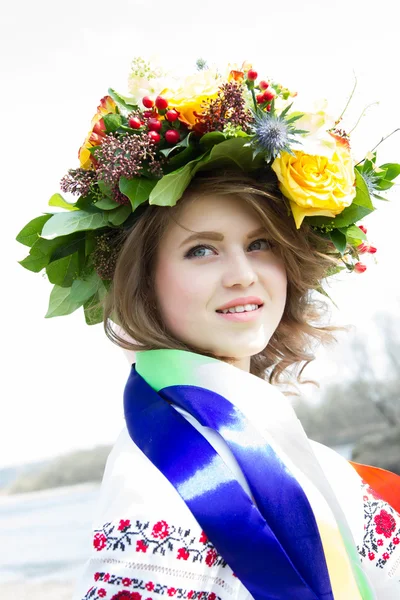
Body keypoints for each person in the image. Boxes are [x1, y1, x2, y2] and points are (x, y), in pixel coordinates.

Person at [16, 58, 400, 599]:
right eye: (202, 250)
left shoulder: (285, 445)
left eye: (260, 243)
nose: (242, 275)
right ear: (144, 281)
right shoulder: (164, 478)